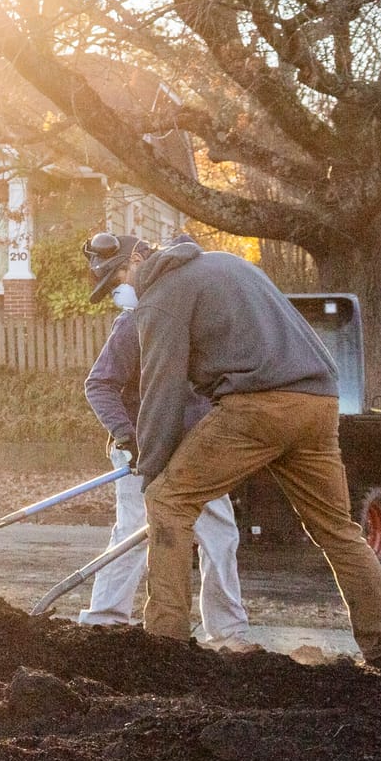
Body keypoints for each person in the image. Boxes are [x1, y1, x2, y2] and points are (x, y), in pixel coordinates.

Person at [83, 232, 381, 671]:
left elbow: (161, 392)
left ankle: (165, 649)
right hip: (319, 401)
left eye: (120, 275)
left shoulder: (161, 296)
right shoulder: (225, 264)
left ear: (140, 257)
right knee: (337, 529)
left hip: (255, 406)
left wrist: (152, 465)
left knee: (167, 500)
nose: (121, 287)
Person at [78, 254, 252, 651]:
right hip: (141, 450)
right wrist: (127, 435)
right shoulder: (131, 324)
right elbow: (99, 384)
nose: (118, 289)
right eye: (110, 286)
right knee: (133, 534)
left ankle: (228, 632)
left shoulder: (194, 320)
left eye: (119, 277)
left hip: (197, 447)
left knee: (221, 534)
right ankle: (104, 620)